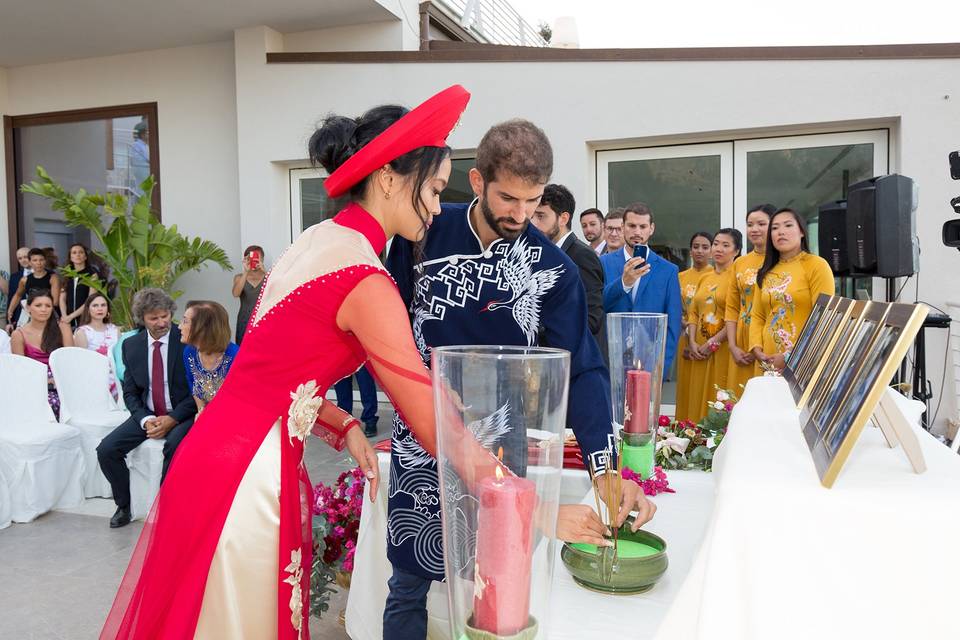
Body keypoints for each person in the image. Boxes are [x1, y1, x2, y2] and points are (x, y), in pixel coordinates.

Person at [100, 85, 478, 639]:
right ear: (391, 178)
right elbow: (424, 413)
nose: (440, 206)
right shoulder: (366, 279)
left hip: (213, 455)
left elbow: (271, 376)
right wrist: (520, 496)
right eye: (436, 188)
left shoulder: (314, 242)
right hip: (250, 478)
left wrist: (345, 423)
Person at [386, 118, 656, 640]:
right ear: (479, 181)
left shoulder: (551, 269)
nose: (520, 214)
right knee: (409, 584)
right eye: (508, 198)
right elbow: (388, 327)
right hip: (423, 435)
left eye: (532, 202)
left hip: (501, 446)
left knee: (499, 586)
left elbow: (582, 366)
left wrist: (605, 469)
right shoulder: (421, 233)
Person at [95, 288, 197, 530]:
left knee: (174, 445)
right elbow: (130, 392)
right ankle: (124, 506)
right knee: (106, 450)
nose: (162, 322)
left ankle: (167, 508)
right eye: (154, 318)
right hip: (147, 413)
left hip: (182, 413)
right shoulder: (130, 346)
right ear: (143, 318)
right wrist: (145, 419)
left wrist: (172, 419)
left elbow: (198, 391)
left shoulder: (186, 342)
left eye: (165, 316)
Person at [600, 203, 682, 374]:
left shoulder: (668, 270)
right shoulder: (603, 263)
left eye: (642, 226)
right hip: (610, 359)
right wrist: (624, 283)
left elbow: (673, 323)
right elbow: (597, 307)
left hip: (649, 361)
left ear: (651, 229)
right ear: (623, 227)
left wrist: (661, 366)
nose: (637, 232)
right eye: (631, 226)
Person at [750, 208, 836, 372]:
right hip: (766, 360)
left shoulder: (816, 265)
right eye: (775, 228)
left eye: (788, 226)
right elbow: (757, 316)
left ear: (802, 232)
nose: (780, 232)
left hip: (802, 359)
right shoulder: (765, 271)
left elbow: (823, 317)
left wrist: (790, 356)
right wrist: (756, 348)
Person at [532, 184, 605, 344]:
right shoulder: (541, 252)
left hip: (568, 361)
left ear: (563, 219)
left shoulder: (582, 256)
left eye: (541, 216)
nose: (534, 223)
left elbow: (592, 320)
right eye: (532, 216)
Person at [685, 229, 741, 422]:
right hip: (699, 348)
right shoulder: (705, 277)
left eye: (726, 245)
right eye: (716, 243)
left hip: (723, 347)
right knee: (697, 394)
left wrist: (713, 343)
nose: (719, 249)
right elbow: (693, 312)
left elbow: (736, 316)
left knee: (718, 396)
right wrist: (692, 341)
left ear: (736, 251)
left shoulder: (737, 278)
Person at [724, 204, 776, 387]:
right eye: (750, 224)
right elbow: (732, 307)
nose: (754, 229)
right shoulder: (740, 263)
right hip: (741, 340)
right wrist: (732, 345)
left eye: (761, 224)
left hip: (769, 339)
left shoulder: (780, 261)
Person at [10, 290, 74, 418]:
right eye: (38, 305)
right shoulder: (18, 334)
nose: (44, 309)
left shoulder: (62, 327)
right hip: (34, 383)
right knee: (51, 403)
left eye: (48, 305)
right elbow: (19, 369)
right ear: (28, 308)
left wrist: (59, 379)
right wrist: (44, 381)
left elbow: (71, 360)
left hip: (63, 378)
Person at [674, 231, 713, 422]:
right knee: (686, 386)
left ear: (712, 251)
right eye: (696, 247)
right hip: (685, 337)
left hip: (707, 338)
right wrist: (688, 327)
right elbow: (675, 307)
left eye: (705, 247)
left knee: (704, 385)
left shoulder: (716, 276)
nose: (700, 251)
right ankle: (684, 426)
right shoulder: (679, 277)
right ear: (690, 251)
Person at [180, 300, 239, 413]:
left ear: (202, 328)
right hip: (207, 415)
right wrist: (201, 412)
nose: (179, 326)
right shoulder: (189, 352)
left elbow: (238, 401)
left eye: (185, 321)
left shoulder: (236, 357)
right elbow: (193, 384)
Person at [74, 292, 121, 398]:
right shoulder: (83, 332)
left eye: (103, 305)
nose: (100, 309)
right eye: (95, 305)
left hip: (116, 374)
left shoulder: (114, 329)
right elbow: (82, 363)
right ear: (88, 309)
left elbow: (119, 356)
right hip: (94, 377)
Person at [7, 248, 61, 330]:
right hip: (29, 314)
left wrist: (40, 309)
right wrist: (10, 311)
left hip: (48, 313)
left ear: (45, 261)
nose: (38, 263)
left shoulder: (52, 278)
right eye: (35, 260)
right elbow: (18, 295)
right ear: (30, 262)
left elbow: (55, 301)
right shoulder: (24, 280)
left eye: (41, 260)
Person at [231, 245, 266, 345]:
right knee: (243, 349)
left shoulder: (269, 276)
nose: (254, 260)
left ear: (262, 259)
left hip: (264, 319)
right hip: (245, 320)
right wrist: (246, 272)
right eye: (251, 258)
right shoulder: (239, 277)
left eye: (257, 257)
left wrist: (265, 272)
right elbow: (235, 294)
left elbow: (276, 291)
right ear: (246, 259)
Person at [60, 243, 100, 329]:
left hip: (85, 317)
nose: (77, 255)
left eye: (81, 252)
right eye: (74, 253)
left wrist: (71, 316)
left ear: (85, 257)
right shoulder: (67, 275)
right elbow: (62, 298)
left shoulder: (92, 275)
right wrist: (65, 316)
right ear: (70, 257)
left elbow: (90, 299)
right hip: (67, 319)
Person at [334, 366, 380, 437]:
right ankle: (345, 420)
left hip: (360, 355)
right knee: (342, 386)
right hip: (338, 355)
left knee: (365, 383)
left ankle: (370, 420)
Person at [5, 247, 31, 329]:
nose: (23, 260)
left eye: (25, 257)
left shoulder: (45, 274)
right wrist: (9, 322)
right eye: (20, 258)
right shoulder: (14, 277)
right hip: (21, 317)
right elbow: (11, 298)